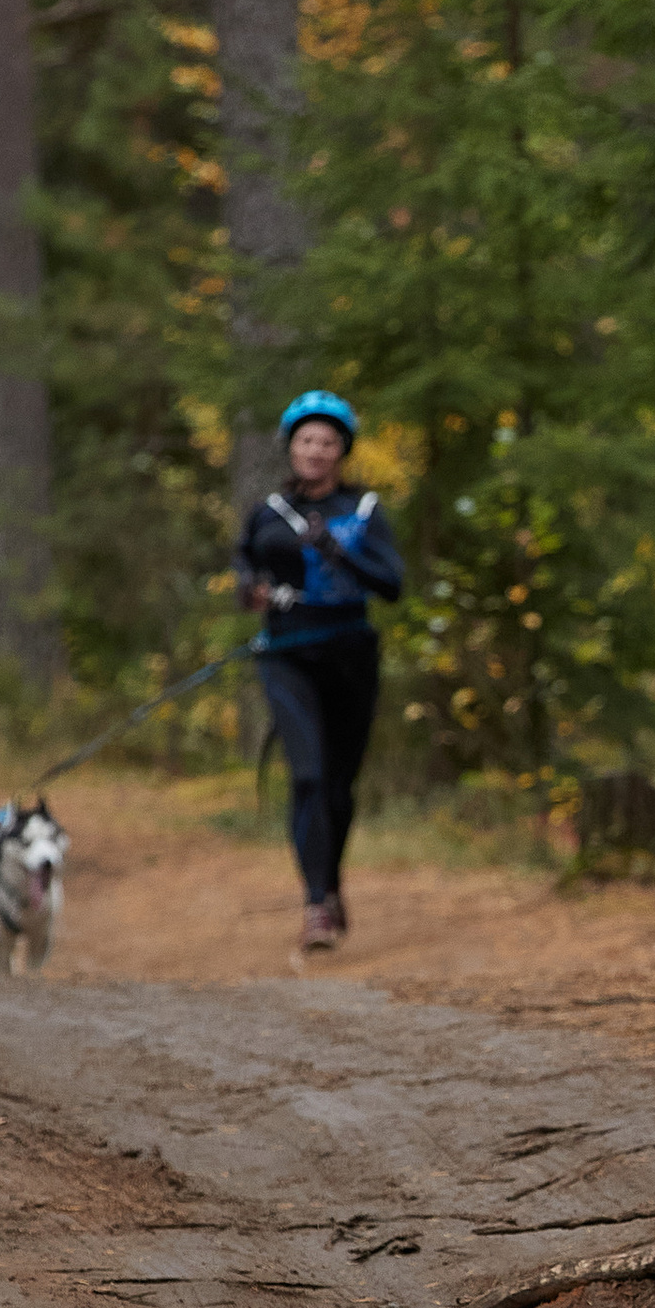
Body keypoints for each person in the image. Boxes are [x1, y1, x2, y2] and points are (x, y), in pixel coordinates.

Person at [234, 391, 404, 953]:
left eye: (328, 441)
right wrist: (249, 589)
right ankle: (314, 906)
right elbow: (245, 561)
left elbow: (392, 585)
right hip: (286, 657)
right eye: (306, 439)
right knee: (306, 775)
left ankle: (330, 886)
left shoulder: (365, 512)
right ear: (291, 447)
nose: (316, 450)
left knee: (337, 785)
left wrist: (336, 550)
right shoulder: (268, 513)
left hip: (351, 657)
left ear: (342, 451)